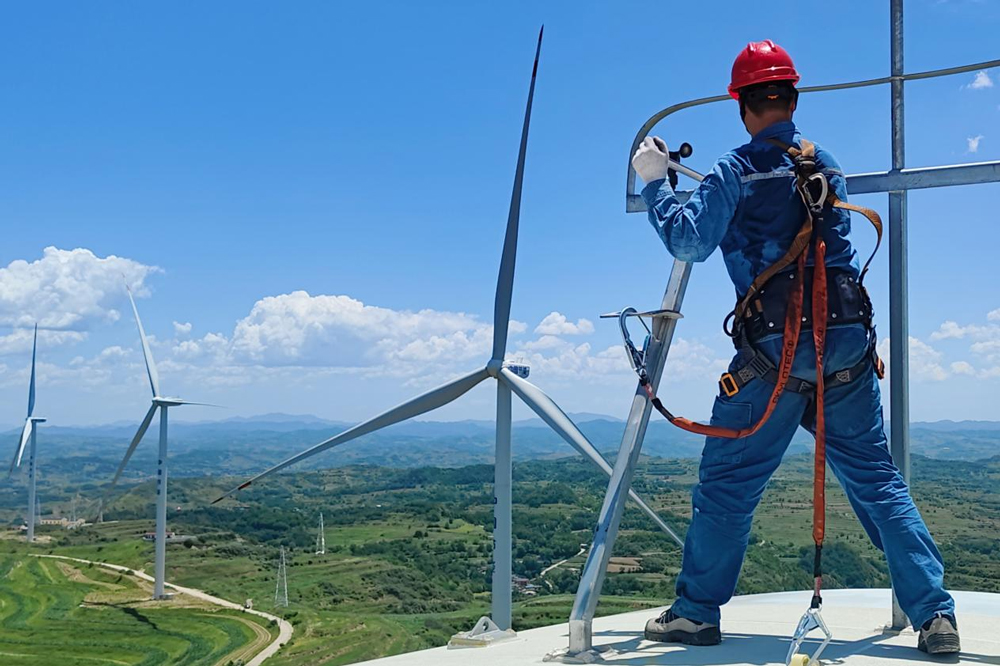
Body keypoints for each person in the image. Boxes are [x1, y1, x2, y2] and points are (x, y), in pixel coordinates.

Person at [630, 39, 959, 655]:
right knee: (878, 483)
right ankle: (936, 616)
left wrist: (656, 184)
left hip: (773, 356)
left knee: (728, 487)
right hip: (848, 349)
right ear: (792, 97)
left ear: (742, 104)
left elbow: (690, 243)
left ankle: (696, 614)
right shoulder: (824, 161)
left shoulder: (734, 168)